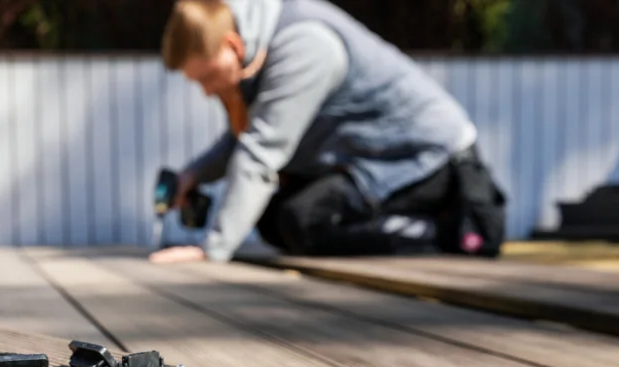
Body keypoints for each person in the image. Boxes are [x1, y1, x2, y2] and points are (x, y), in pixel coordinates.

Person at [149, 0, 507, 265]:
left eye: (208, 77)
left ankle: (447, 231)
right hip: (368, 161)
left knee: (301, 220)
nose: (208, 91)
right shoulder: (259, 49)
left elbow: (261, 151)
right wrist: (191, 176)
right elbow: (243, 139)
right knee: (275, 220)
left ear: (232, 46)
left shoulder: (303, 46)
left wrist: (212, 252)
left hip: (425, 157)